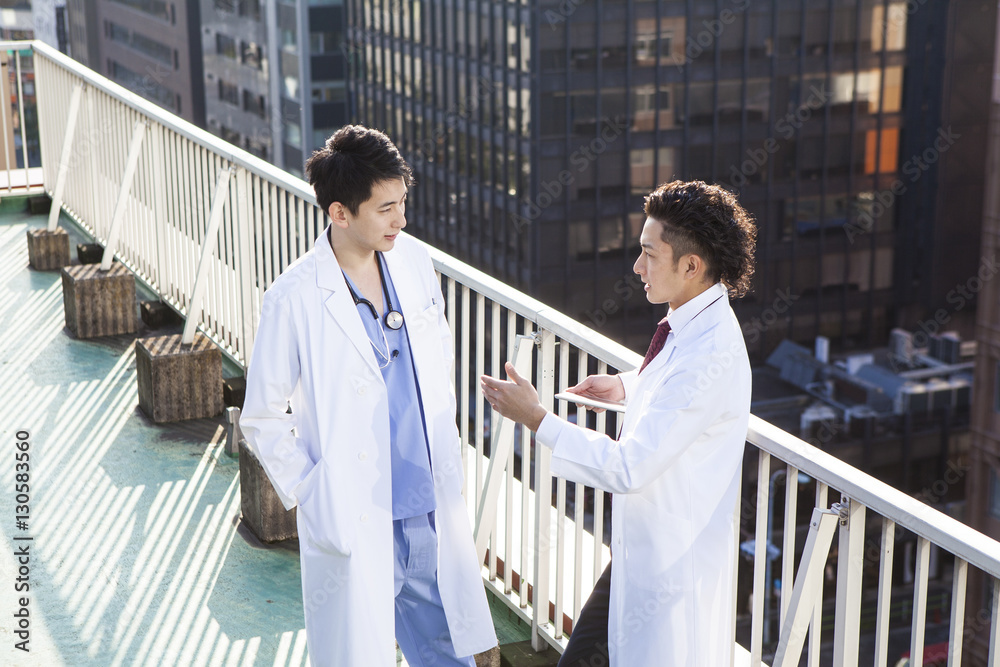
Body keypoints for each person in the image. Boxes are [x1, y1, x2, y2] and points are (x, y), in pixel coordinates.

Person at [241, 125, 497, 667]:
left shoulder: (413, 262)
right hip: (354, 509)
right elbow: (262, 415)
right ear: (339, 213)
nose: (401, 220)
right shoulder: (294, 297)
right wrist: (313, 492)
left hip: (426, 503)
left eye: (402, 203)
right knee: (360, 652)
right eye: (385, 209)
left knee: (450, 652)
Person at [481, 180, 756, 665]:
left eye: (649, 254)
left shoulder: (710, 350)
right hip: (641, 554)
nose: (637, 267)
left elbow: (631, 466)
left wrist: (537, 419)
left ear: (691, 266)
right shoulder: (694, 320)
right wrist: (629, 386)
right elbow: (676, 388)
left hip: (670, 562)